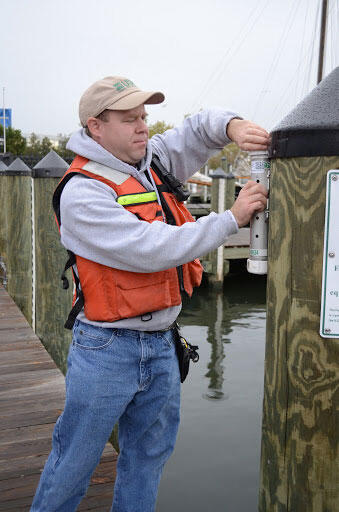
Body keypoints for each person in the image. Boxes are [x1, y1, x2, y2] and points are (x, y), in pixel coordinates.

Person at [30, 76, 268, 512]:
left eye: (144, 117)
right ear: (95, 127)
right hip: (106, 348)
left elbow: (197, 129)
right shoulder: (82, 192)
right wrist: (230, 219)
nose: (143, 127)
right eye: (129, 119)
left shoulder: (152, 159)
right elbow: (150, 249)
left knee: (148, 458)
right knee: (74, 462)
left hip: (161, 342)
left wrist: (233, 126)